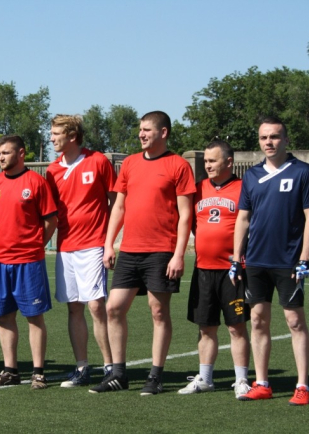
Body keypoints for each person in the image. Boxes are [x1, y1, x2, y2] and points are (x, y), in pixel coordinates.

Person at [91, 111, 196, 395]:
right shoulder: (130, 163)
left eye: (147, 129)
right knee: (113, 308)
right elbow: (119, 207)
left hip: (161, 251)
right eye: (140, 129)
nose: (141, 134)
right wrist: (109, 243)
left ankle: (155, 376)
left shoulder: (179, 165)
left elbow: (186, 215)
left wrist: (178, 254)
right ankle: (118, 374)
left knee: (158, 311)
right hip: (130, 250)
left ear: (163, 133)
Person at [231, 116, 309, 406]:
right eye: (263, 137)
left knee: (295, 321)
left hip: (289, 261)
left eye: (274, 137)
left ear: (286, 140)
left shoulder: (303, 172)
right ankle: (262, 383)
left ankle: (302, 386)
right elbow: (243, 218)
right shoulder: (251, 175)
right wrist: (236, 257)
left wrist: (305, 258)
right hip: (256, 261)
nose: (268, 142)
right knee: (258, 320)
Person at [177, 140, 251, 399]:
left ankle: (241, 379)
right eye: (206, 161)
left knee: (236, 327)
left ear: (229, 162)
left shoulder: (244, 188)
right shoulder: (198, 188)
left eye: (212, 161)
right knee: (205, 327)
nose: (207, 165)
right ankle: (206, 378)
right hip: (203, 269)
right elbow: (192, 224)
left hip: (233, 270)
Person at [45, 115, 115, 387]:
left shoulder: (98, 161)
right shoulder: (52, 170)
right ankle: (82, 368)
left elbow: (116, 202)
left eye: (56, 133)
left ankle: (110, 367)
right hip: (65, 247)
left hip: (94, 244)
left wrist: (110, 242)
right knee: (74, 308)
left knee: (96, 306)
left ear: (72, 136)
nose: (51, 138)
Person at [0, 135, 57, 390]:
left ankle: (38, 372)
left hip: (28, 262)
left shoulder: (36, 182)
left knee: (33, 317)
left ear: (21, 153)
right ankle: (10, 370)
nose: (1, 157)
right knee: (3, 316)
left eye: (6, 152)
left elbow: (50, 220)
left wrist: (36, 245)